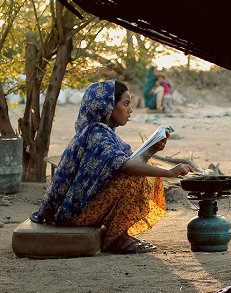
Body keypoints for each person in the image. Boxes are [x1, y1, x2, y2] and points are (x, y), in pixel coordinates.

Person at [30, 80, 194, 254]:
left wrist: (152, 149)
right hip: (74, 214)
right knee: (133, 179)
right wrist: (169, 173)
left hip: (80, 208)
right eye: (126, 104)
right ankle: (117, 239)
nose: (130, 110)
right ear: (106, 106)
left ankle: (120, 234)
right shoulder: (96, 134)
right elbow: (125, 167)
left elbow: (126, 163)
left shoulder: (102, 131)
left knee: (141, 171)